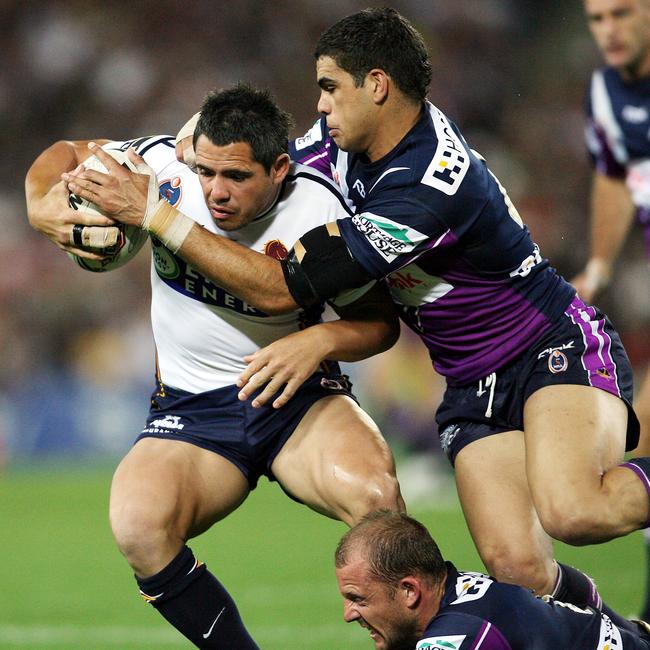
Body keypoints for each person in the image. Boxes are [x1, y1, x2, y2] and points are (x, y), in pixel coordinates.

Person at [57, 7, 650, 609]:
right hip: (470, 380)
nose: (320, 104)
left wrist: (157, 215)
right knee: (516, 568)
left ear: (377, 85)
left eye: (330, 87)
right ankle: (616, 635)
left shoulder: (429, 189)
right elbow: (270, 166)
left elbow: (285, 287)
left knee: (574, 512)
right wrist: (196, 149)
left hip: (547, 344)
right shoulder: (348, 145)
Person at [25, 83, 406, 649]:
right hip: (192, 411)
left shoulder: (322, 208)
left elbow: (380, 323)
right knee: (139, 525)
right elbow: (63, 154)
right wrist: (40, 206)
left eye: (236, 177)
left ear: (279, 168)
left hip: (296, 402)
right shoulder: (160, 168)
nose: (215, 191)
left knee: (379, 504)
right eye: (206, 172)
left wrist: (320, 340)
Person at [572, 0, 650, 621]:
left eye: (621, 14)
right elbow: (615, 173)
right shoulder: (606, 93)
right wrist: (598, 266)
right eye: (596, 19)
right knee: (638, 452)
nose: (608, 31)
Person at [334, 509, 650, 650]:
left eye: (358, 598)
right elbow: (574, 585)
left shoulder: (458, 632)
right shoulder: (462, 593)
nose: (348, 614)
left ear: (409, 591)